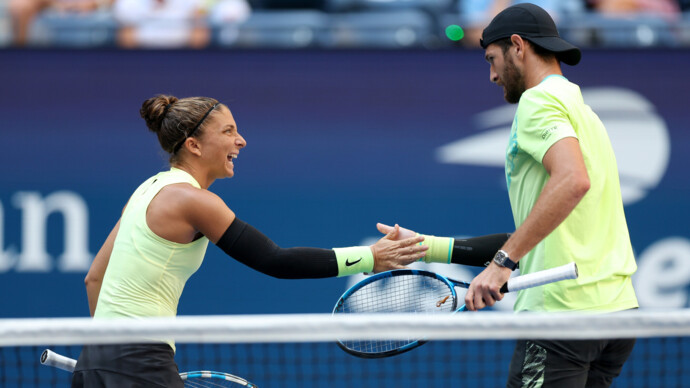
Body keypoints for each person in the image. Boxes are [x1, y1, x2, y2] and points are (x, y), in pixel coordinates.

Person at [71, 94, 429, 387]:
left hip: (93, 365)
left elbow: (95, 279)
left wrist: (108, 355)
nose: (240, 141)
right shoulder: (193, 200)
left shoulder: (144, 192)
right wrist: (370, 257)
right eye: (228, 131)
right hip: (138, 361)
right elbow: (275, 260)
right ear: (194, 145)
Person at [380, 3, 639, 387]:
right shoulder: (584, 111)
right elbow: (536, 235)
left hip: (562, 317)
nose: (491, 75)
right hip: (616, 316)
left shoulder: (537, 102)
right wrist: (424, 247)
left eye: (492, 59)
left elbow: (572, 180)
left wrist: (503, 263)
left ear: (518, 46)